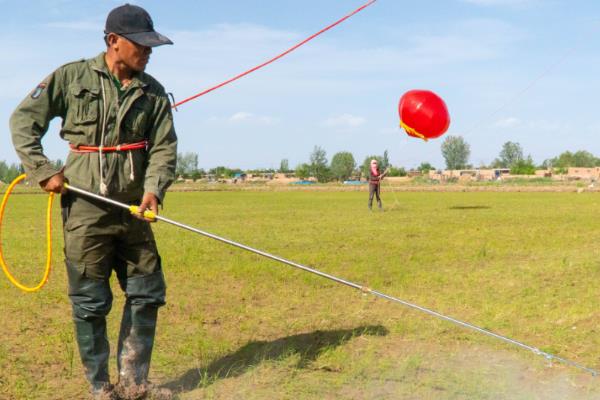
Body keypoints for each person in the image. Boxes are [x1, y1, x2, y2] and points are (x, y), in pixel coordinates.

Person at [10, 4, 177, 400]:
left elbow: (164, 148)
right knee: (90, 301)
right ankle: (101, 388)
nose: (148, 52)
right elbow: (22, 122)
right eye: (142, 45)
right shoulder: (71, 77)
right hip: (84, 209)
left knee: (146, 291)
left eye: (151, 46)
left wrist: (153, 189)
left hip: (135, 210)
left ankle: (135, 383)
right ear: (113, 41)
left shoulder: (152, 92)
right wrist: (43, 170)